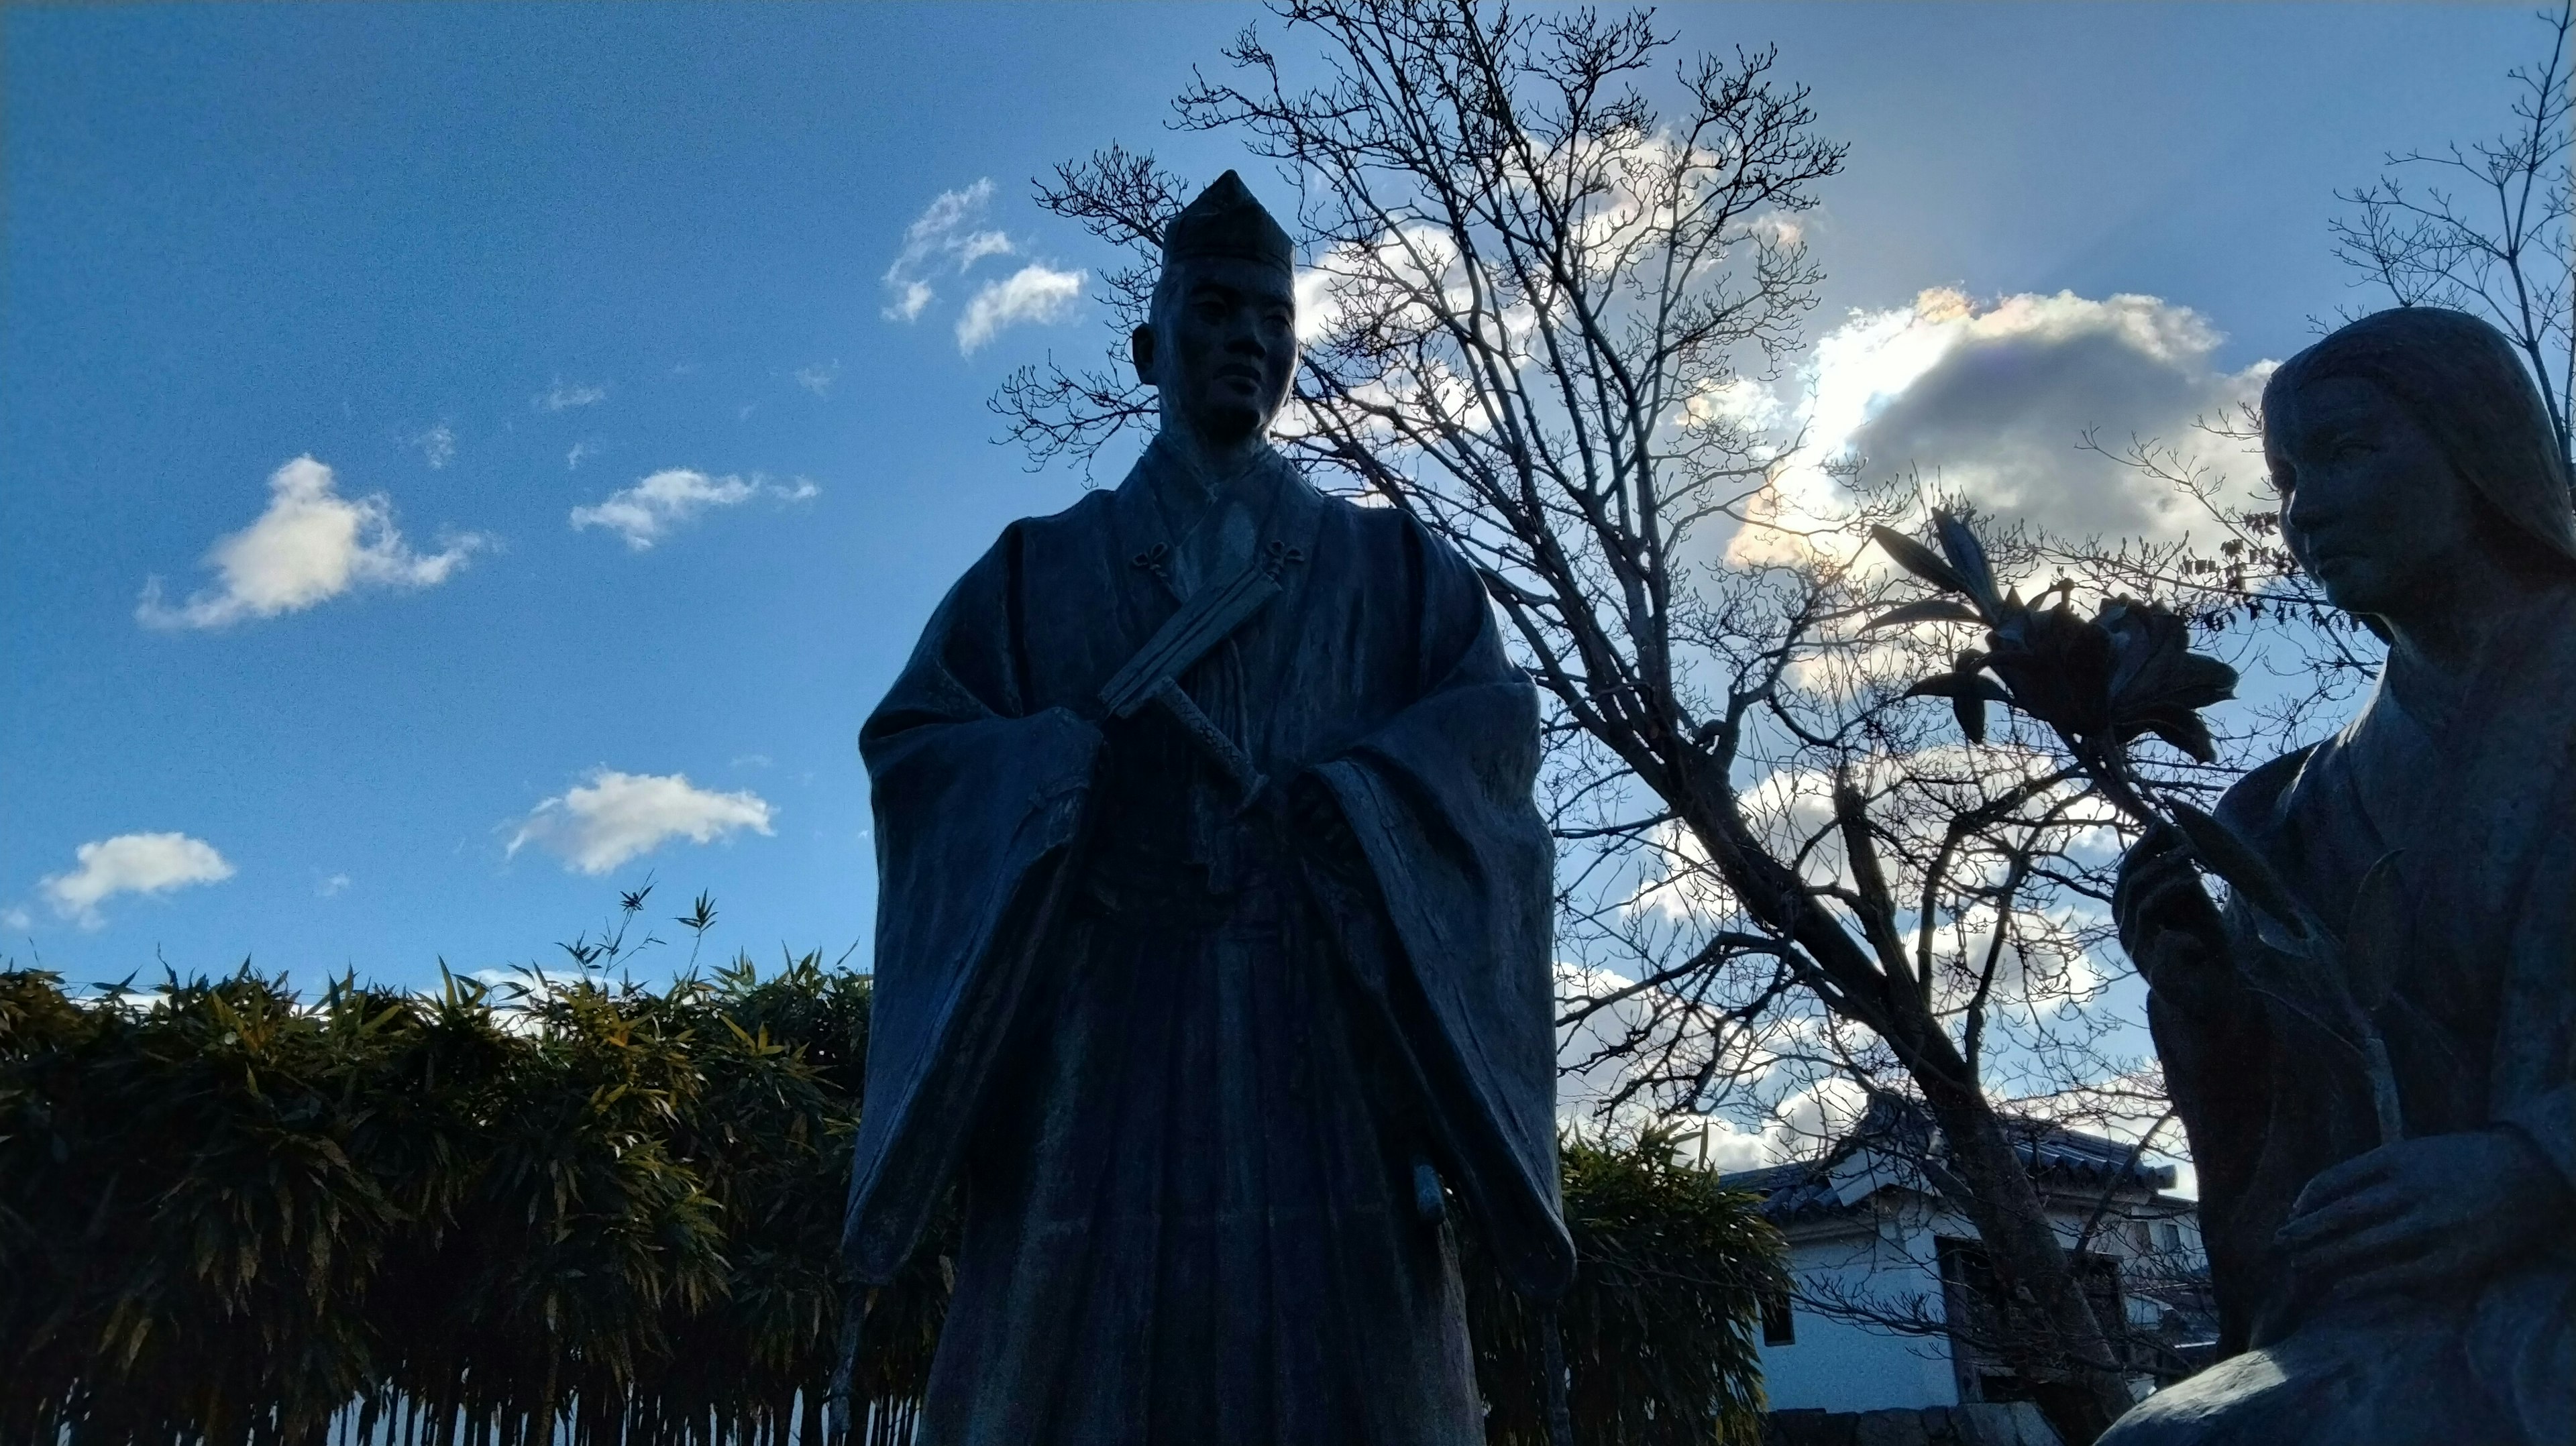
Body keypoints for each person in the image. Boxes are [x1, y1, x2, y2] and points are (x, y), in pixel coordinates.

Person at [838, 171, 1573, 1445]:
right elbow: (919, 753)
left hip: (1327, 1065)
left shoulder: (1396, 574)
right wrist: (1056, 779)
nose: (1247, 336)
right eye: (1216, 306)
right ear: (1148, 345)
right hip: (1101, 1060)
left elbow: (1492, 745)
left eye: (1274, 320)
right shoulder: (1031, 578)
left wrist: (1355, 810)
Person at [2106, 307, 2576, 1444]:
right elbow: (2310, 1139)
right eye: (2287, 476)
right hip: (2410, 1316)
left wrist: (2538, 1167)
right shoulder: (2294, 813)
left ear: (2478, 447)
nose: (2305, 510)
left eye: (2353, 452)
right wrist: (2216, 1012)